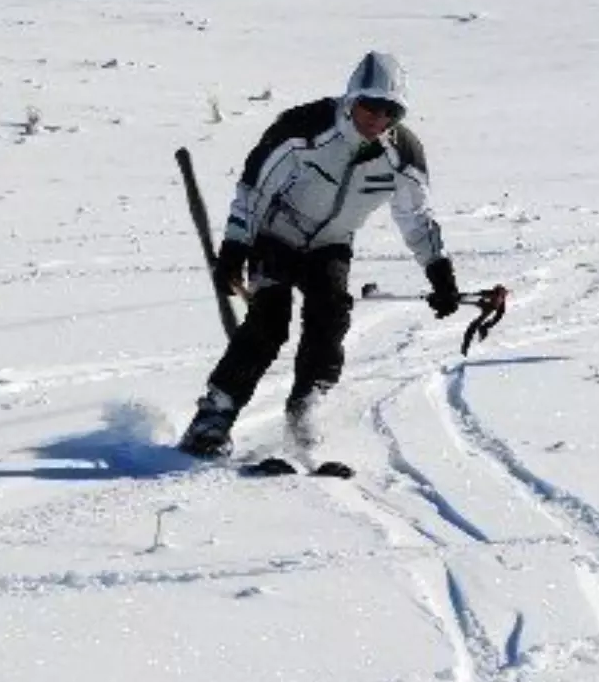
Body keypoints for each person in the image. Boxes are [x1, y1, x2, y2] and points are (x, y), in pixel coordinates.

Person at [178, 51, 461, 458]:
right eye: (370, 106)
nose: (378, 118)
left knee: (330, 318)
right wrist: (235, 248)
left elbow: (416, 218)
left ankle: (306, 412)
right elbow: (253, 190)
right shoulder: (304, 128)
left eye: (391, 112)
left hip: (332, 243)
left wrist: (439, 272)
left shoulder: (404, 155)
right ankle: (213, 417)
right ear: (352, 99)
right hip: (275, 233)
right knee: (269, 322)